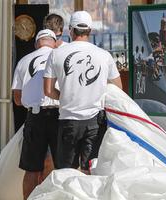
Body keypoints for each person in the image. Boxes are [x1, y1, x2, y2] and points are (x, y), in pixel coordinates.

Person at [44, 11, 122, 174]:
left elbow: (48, 90)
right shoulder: (104, 55)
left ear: (71, 30)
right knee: (91, 171)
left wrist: (65, 97)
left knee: (66, 172)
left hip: (68, 119)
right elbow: (117, 88)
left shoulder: (56, 54)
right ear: (90, 31)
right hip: (95, 121)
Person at [15, 29, 59, 200]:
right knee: (58, 165)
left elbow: (17, 99)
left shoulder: (23, 61)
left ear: (36, 44)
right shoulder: (59, 57)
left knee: (32, 169)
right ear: (54, 42)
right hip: (58, 116)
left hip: (34, 117)